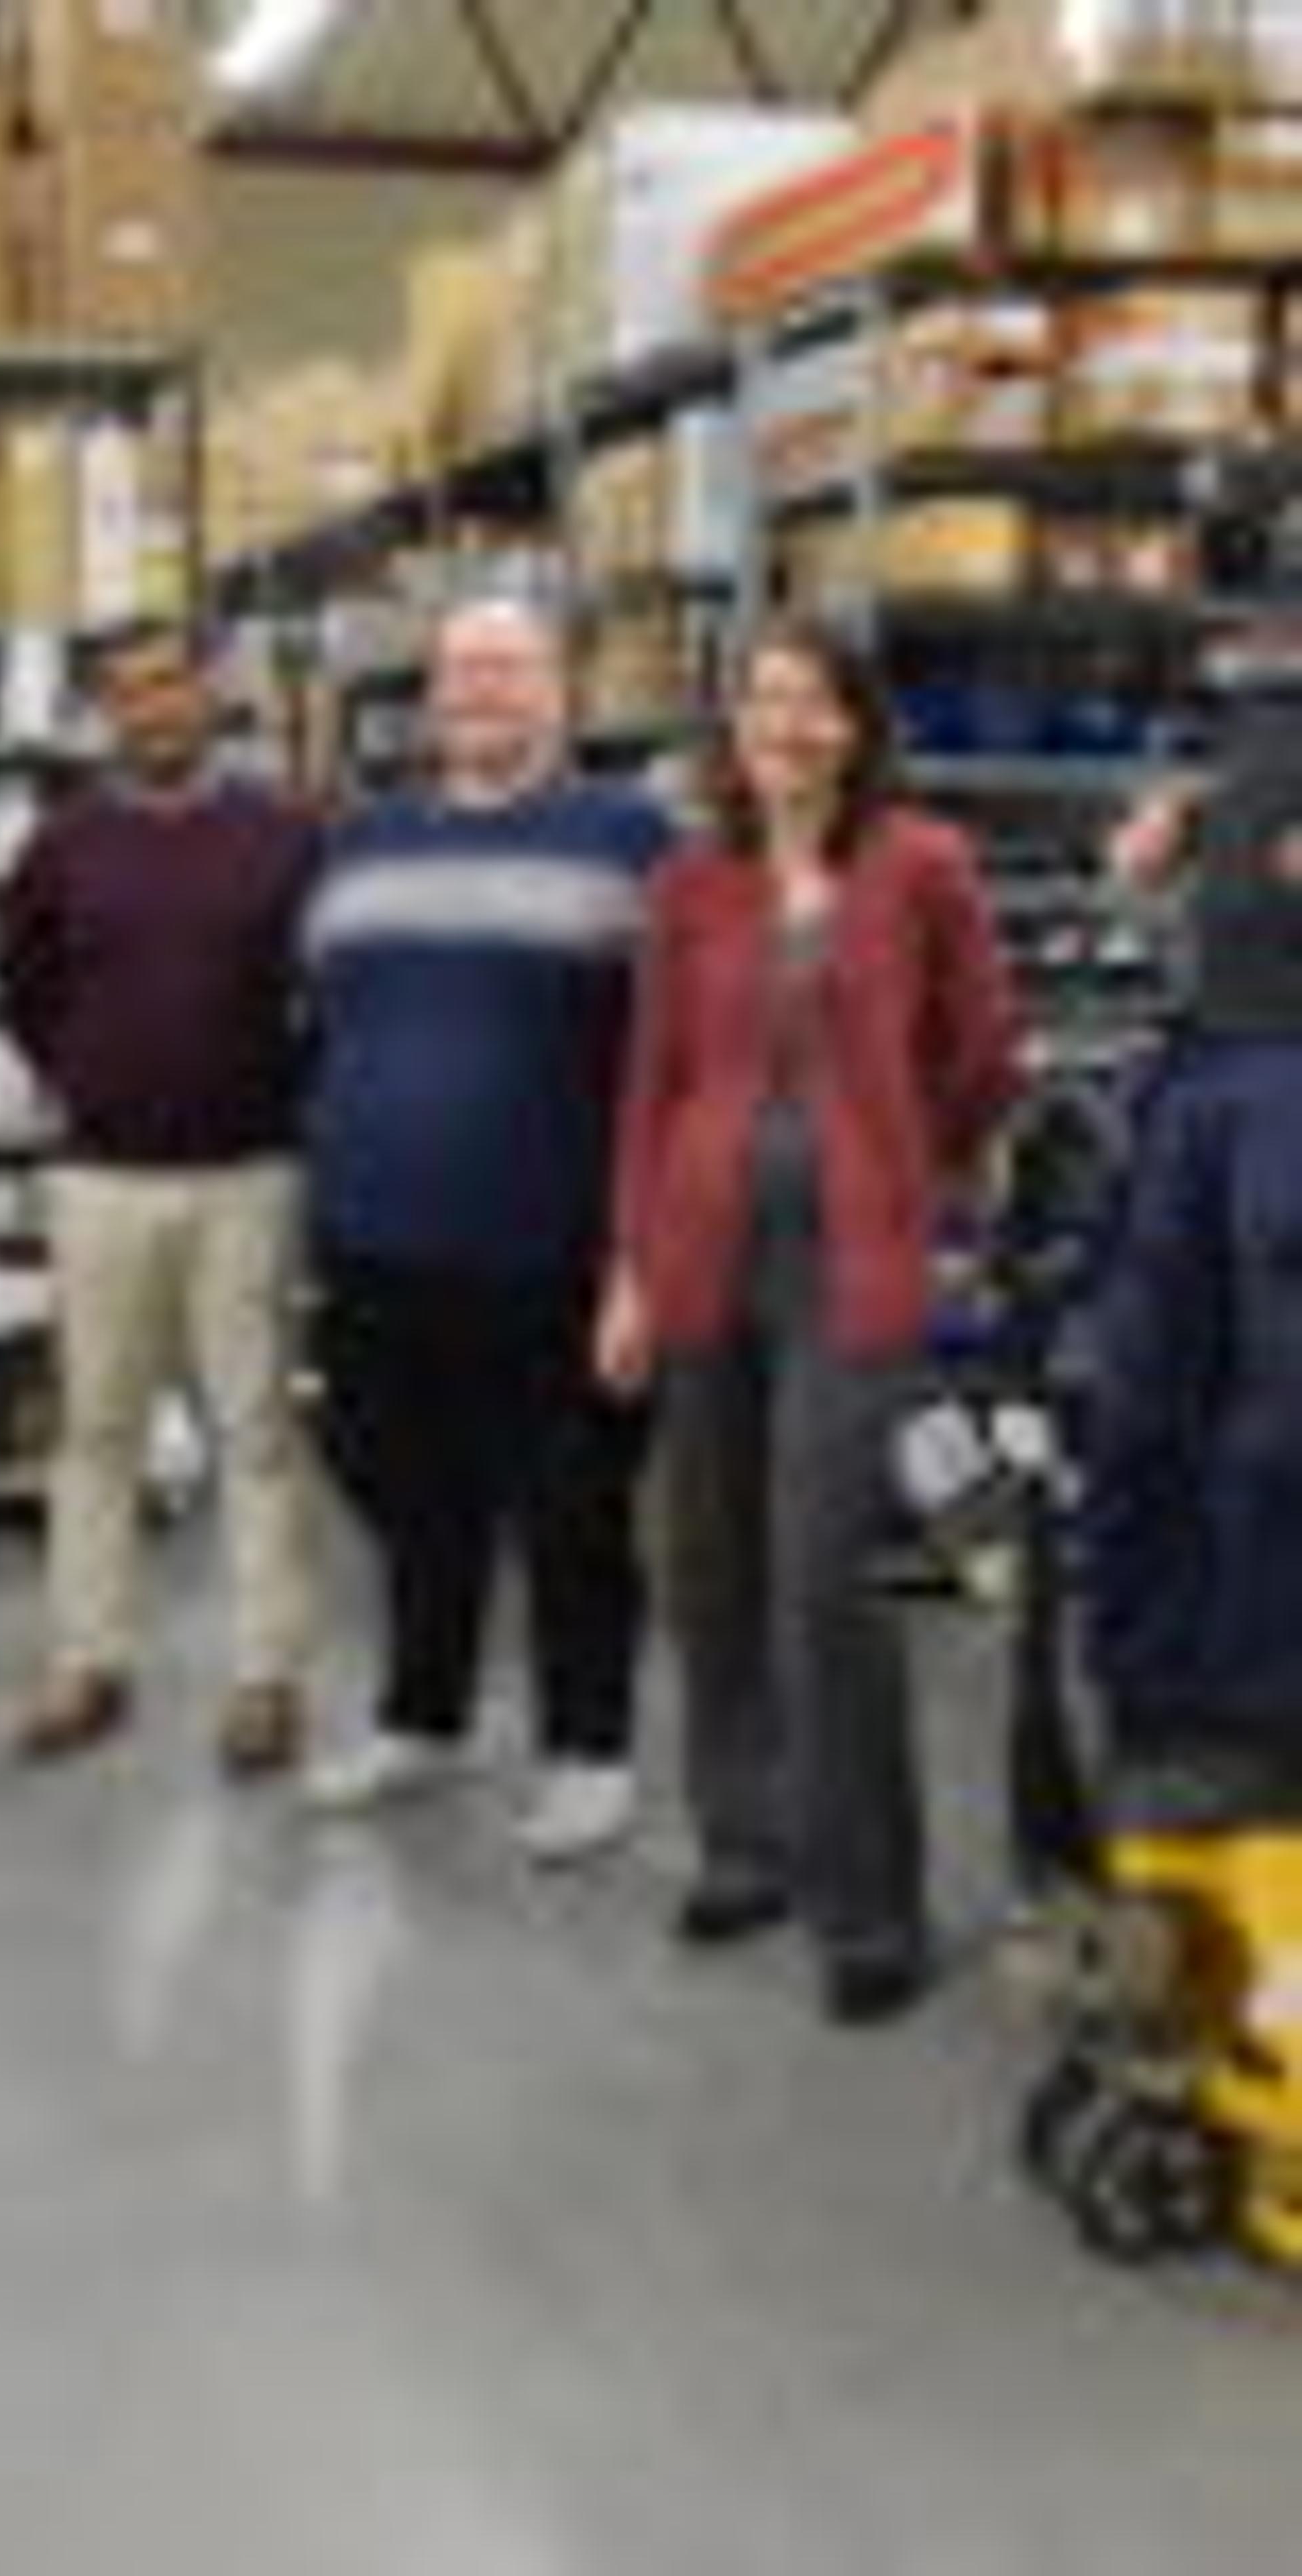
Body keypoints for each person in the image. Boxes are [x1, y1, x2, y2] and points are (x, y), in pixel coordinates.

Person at [598, 619, 1021, 2023]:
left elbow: (983, 1055)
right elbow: (650, 1086)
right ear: (734, 728)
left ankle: (871, 1907)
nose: (782, 725)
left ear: (855, 726)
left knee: (826, 1581)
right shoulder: (689, 883)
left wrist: (917, 1174)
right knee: (710, 1567)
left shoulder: (922, 865)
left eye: (811, 702)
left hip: (855, 1262)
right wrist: (629, 1271)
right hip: (702, 1251)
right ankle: (747, 1845)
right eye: (761, 701)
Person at [299, 596, 671, 1865]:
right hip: (374, 1241)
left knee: (573, 1512)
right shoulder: (363, 842)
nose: (483, 691)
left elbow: (676, 1054)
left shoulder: (631, 837)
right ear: (432, 696)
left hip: (551, 1246)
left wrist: (641, 1255)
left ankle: (590, 1752)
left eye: (510, 668)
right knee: (410, 1497)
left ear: (560, 689)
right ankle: (422, 1718)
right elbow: (325, 1015)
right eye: (463, 671)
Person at [0, 622, 319, 1777]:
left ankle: (267, 1679)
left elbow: (326, 988)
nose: (153, 709)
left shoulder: (285, 835)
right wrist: (87, 1075)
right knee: (96, 1431)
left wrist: (279, 1091)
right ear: (107, 714)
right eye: (128, 693)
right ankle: (89, 1664)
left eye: (170, 684)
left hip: (248, 1176)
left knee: (257, 1432)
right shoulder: (63, 843)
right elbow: (21, 983)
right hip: (101, 1181)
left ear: (207, 696)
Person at [1086, 688, 1302, 1780]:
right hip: (1201, 1060)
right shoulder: (1258, 709)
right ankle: (1150, 1689)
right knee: (1142, 1396)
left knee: (1278, 1424)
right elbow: (1137, 865)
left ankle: (1262, 1718)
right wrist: (1161, 834)